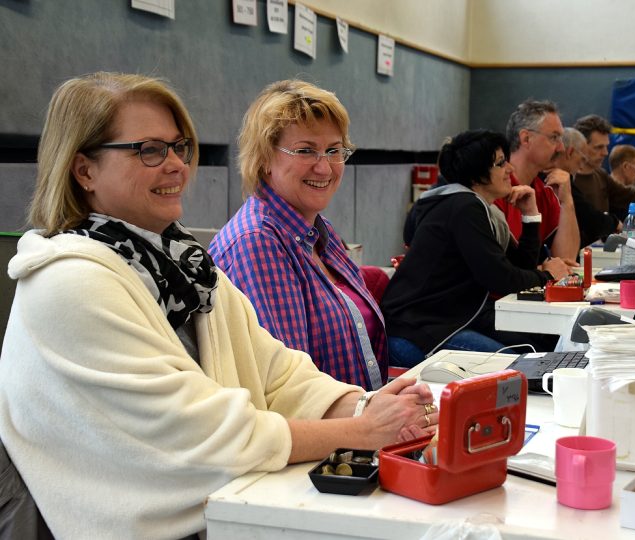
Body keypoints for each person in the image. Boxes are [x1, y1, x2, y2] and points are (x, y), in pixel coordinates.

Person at [0, 72, 436, 540]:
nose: (176, 166)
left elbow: (279, 372)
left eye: (179, 147)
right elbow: (200, 433)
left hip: (221, 507)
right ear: (84, 170)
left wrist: (364, 405)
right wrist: (361, 431)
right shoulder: (69, 282)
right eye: (149, 150)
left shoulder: (182, 264)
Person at [209, 80, 386, 391]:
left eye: (334, 150)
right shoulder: (258, 242)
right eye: (306, 151)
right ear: (264, 158)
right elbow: (290, 387)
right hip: (320, 436)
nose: (325, 167)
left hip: (359, 424)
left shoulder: (318, 229)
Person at [382, 130, 569, 367]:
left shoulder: (478, 208)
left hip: (447, 321)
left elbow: (520, 266)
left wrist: (530, 215)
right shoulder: (463, 208)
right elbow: (501, 278)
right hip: (419, 331)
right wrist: (550, 275)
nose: (510, 170)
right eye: (501, 163)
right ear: (478, 175)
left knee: (541, 350)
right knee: (526, 368)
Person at [494, 99, 580, 261]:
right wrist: (542, 271)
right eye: (554, 138)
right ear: (526, 139)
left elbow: (566, 260)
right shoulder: (495, 190)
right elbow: (496, 270)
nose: (561, 148)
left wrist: (567, 201)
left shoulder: (545, 190)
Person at [552, 128, 622, 247]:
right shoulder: (558, 181)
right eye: (582, 158)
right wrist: (614, 223)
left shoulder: (598, 175)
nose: (581, 165)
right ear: (569, 152)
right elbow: (589, 219)